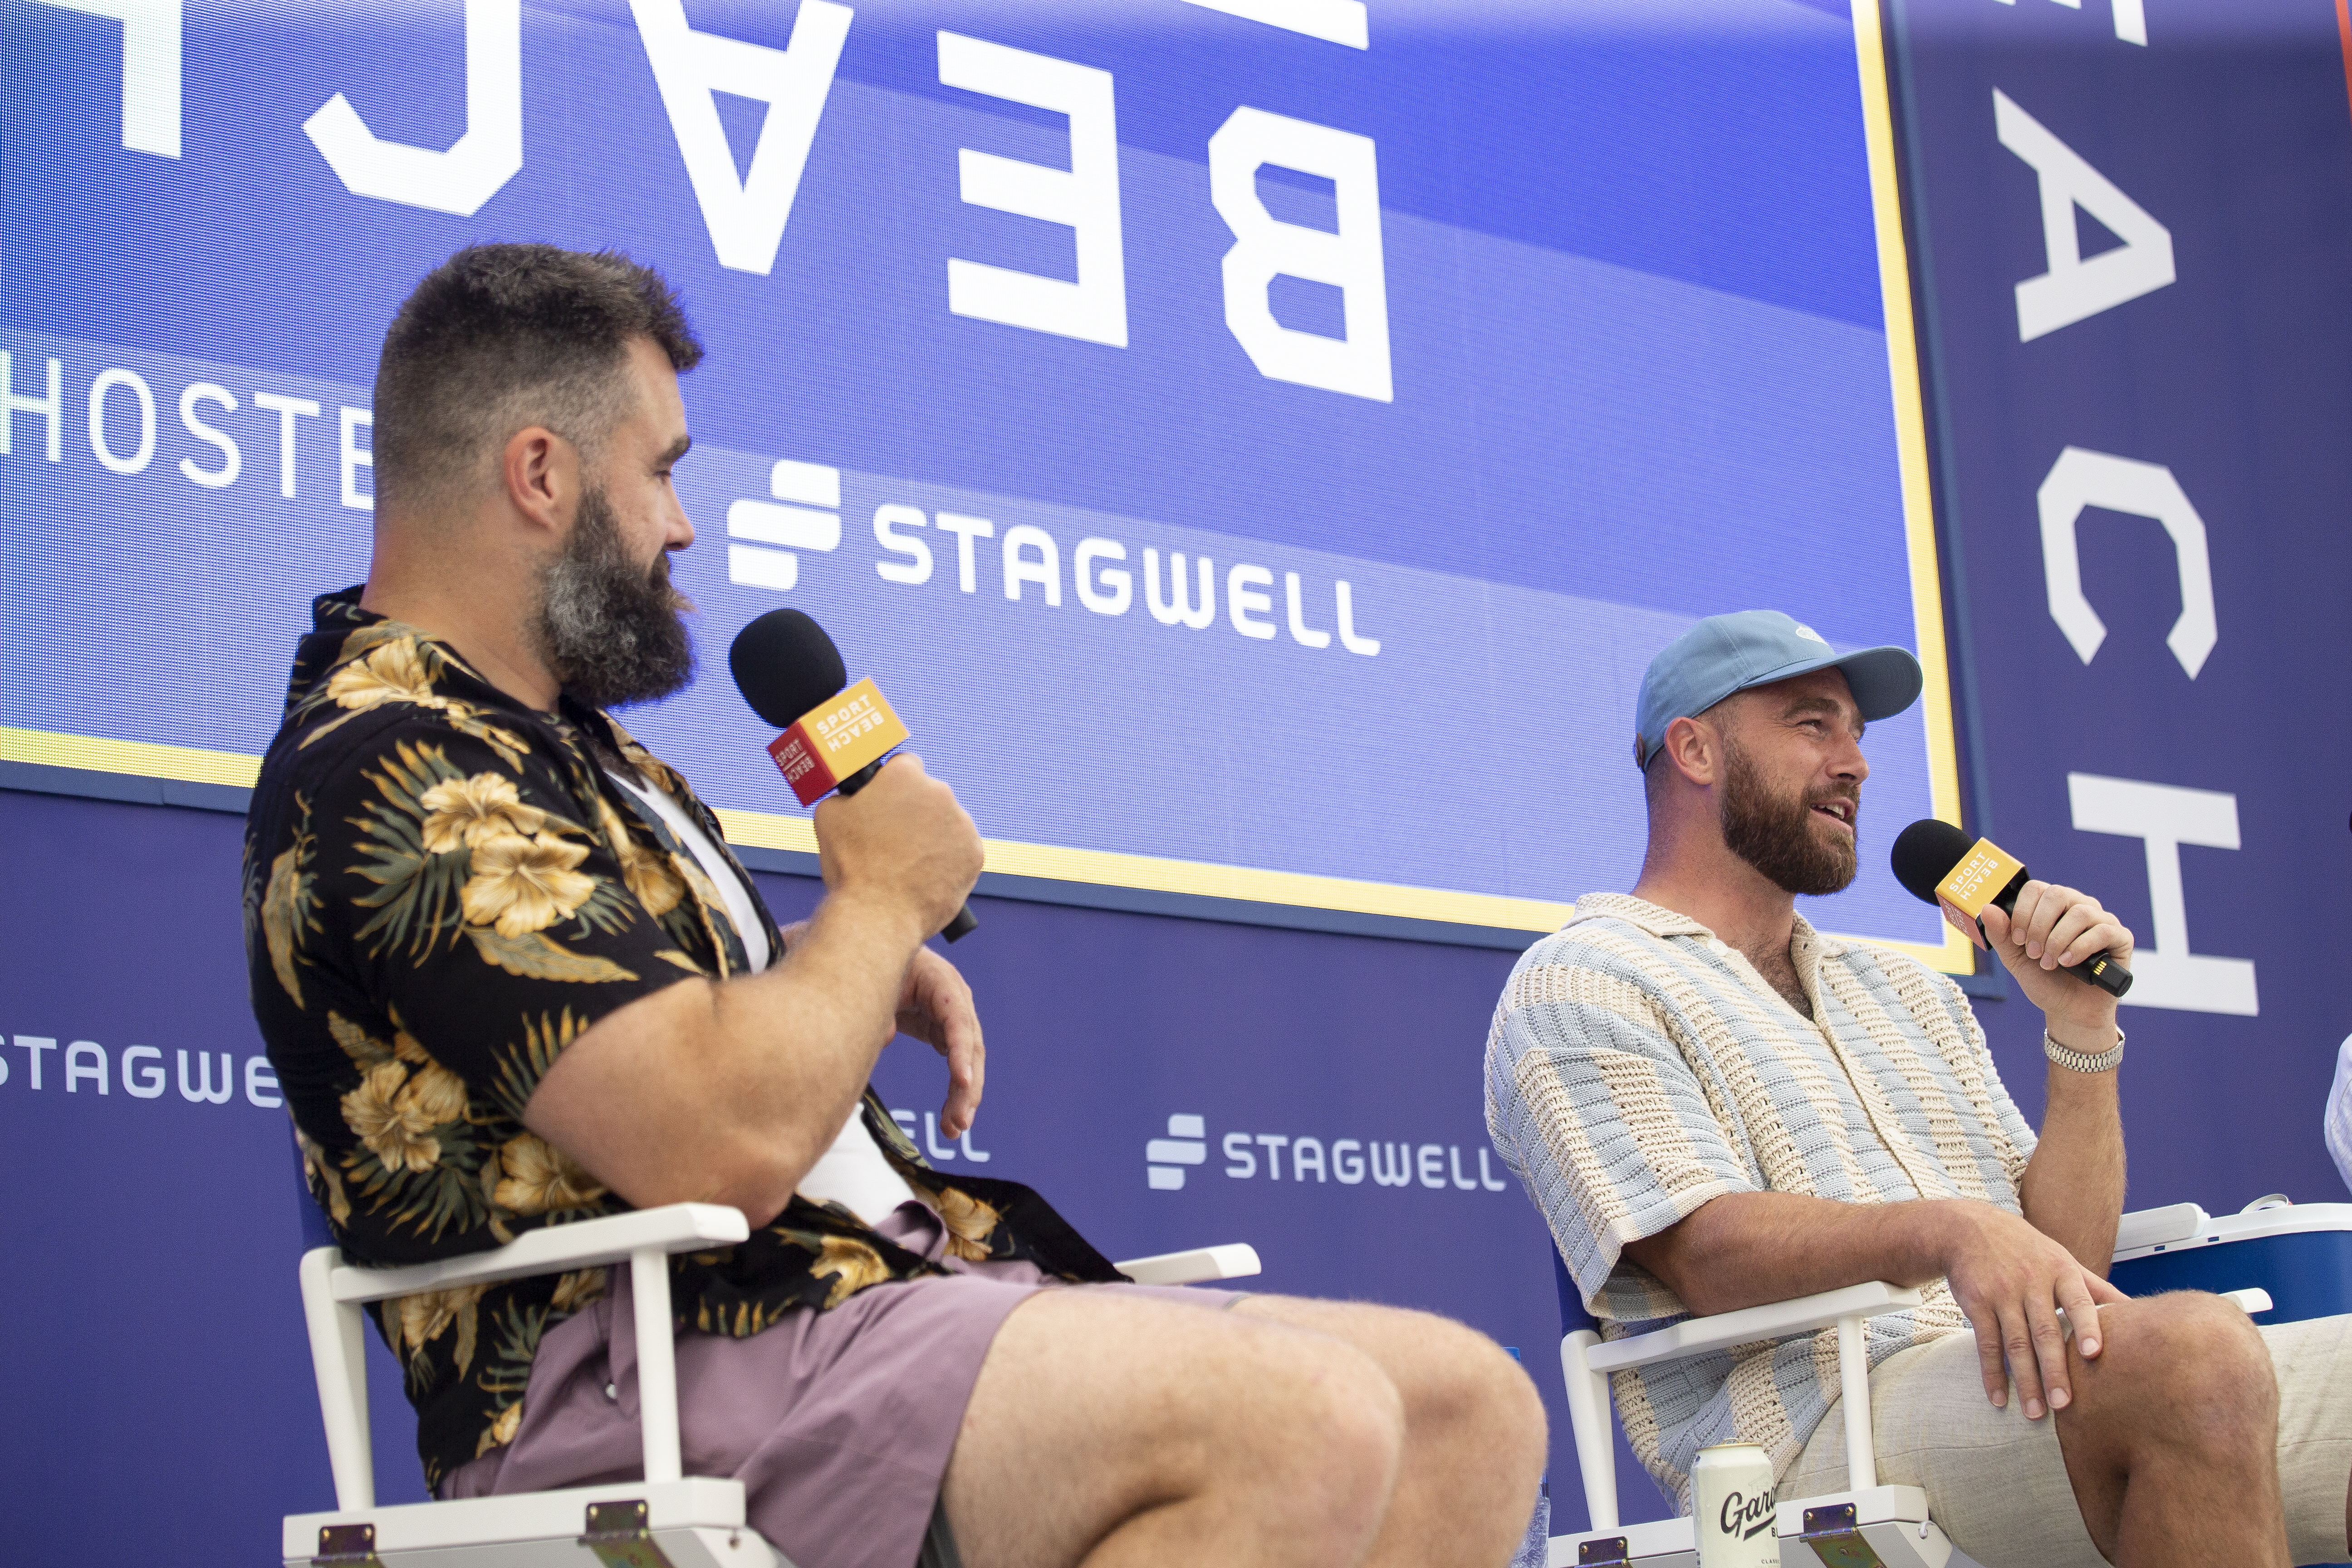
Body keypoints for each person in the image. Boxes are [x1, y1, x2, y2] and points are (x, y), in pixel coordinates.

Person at [245, 244, 1544, 1568]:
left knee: (1469, 1410)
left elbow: (636, 1041)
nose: (683, 524)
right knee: (1296, 1419)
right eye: (664, 470)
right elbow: (714, 1144)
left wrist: (821, 968)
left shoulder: (584, 754)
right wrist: (874, 905)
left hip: (849, 1301)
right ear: (541, 474)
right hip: (646, 1367)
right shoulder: (389, 762)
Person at [1483, 610, 2352, 1568]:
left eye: (1859, 735)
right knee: (2191, 1354)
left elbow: (2064, 1255)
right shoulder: (1582, 980)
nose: (1854, 762)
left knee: (2230, 1362)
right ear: (1693, 748)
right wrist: (1948, 1229)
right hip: (1809, 1438)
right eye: (1814, 725)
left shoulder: (1907, 990)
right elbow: (1701, 1254)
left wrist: (2079, 1028)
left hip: (2017, 1378)